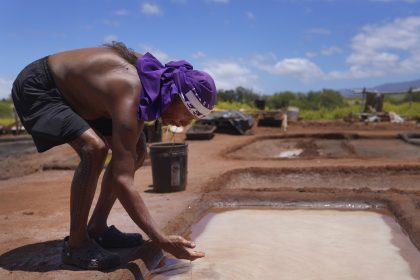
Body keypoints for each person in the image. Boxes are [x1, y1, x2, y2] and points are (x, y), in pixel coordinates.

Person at [11, 42, 217, 270]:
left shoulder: (155, 82)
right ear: (174, 97)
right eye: (186, 115)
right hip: (40, 87)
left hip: (83, 96)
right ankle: (76, 245)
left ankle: (97, 229)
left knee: (138, 151)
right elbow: (123, 180)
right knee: (94, 150)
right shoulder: (130, 91)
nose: (183, 124)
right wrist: (160, 238)